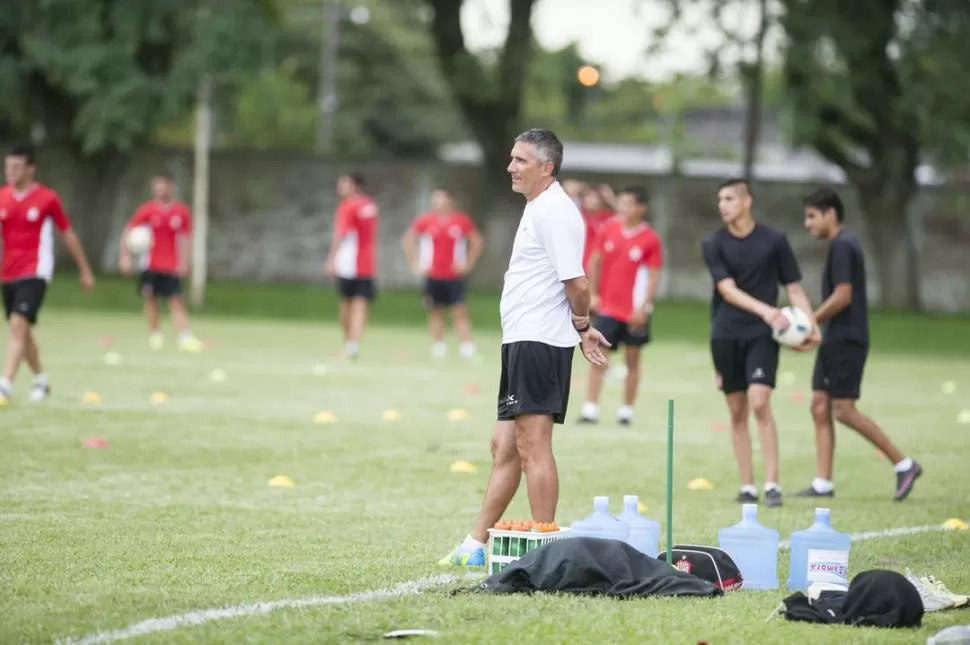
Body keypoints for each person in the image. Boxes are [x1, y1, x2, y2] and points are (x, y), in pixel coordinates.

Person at [439, 128, 609, 568]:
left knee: (533, 445)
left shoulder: (554, 211)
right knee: (504, 445)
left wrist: (582, 325)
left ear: (546, 167)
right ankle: (475, 545)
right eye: (511, 158)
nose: (510, 167)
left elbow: (578, 283)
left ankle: (546, 551)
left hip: (540, 342)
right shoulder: (540, 207)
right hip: (522, 340)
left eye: (520, 160)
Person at [701, 177, 819, 507]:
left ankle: (772, 485)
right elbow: (727, 290)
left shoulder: (774, 240)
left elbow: (793, 287)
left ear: (746, 201)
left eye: (728, 198)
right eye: (719, 199)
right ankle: (748, 486)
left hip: (762, 337)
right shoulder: (713, 243)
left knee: (759, 402)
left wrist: (811, 323)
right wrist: (769, 311)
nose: (722, 205)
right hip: (725, 335)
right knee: (737, 411)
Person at [798, 187, 922, 501]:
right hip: (833, 338)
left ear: (830, 213)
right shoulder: (841, 245)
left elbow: (843, 296)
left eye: (812, 216)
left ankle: (904, 464)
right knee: (819, 406)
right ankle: (822, 484)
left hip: (847, 339)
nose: (807, 224)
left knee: (843, 410)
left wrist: (810, 320)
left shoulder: (843, 245)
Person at [0, 145, 95, 403]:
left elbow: (68, 234)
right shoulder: (2, 197)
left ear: (31, 169)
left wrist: (85, 270)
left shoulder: (47, 198)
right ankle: (41, 380)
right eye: (7, 167)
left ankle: (4, 385)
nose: (10, 172)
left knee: (19, 324)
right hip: (8, 275)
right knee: (22, 331)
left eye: (17, 167)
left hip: (36, 271)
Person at [578, 186, 664, 426]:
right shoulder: (608, 229)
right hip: (608, 308)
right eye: (621, 203)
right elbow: (594, 261)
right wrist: (592, 294)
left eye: (628, 204)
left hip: (635, 312)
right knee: (598, 356)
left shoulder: (650, 239)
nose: (623, 208)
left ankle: (626, 411)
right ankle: (590, 409)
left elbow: (653, 276)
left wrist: (643, 307)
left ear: (641, 208)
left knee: (632, 360)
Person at [118, 173, 202, 352]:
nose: (159, 189)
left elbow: (186, 238)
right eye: (156, 186)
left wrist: (185, 262)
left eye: (162, 186)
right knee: (150, 300)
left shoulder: (181, 211)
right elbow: (128, 232)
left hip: (172, 265)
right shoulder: (146, 210)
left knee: (176, 300)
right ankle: (155, 335)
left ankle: (185, 337)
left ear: (171, 187)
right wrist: (125, 257)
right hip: (150, 265)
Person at [401, 188, 483, 359]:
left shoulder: (461, 221)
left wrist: (467, 263)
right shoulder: (426, 221)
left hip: (454, 276)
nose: (437, 204)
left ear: (450, 201)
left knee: (459, 311)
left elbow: (476, 241)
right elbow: (408, 239)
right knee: (434, 310)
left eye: (440, 200)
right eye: (435, 200)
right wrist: (415, 263)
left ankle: (466, 346)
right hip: (433, 275)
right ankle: (439, 346)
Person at [325, 173, 378, 360]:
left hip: (349, 263)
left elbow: (341, 234)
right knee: (355, 306)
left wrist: (331, 258)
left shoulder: (348, 207)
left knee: (350, 307)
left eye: (344, 184)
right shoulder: (369, 205)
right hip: (365, 264)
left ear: (355, 186)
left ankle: (351, 345)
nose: (339, 187)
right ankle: (352, 345)